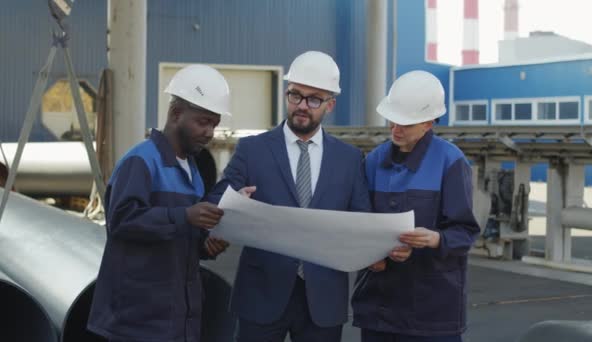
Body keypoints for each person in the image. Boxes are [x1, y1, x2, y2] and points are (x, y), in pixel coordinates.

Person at [207, 51, 371, 342]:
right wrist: (234, 200)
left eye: (314, 99)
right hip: (261, 292)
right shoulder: (252, 149)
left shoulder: (349, 159)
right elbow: (219, 195)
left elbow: (362, 220)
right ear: (286, 94)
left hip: (323, 297)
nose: (302, 106)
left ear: (330, 104)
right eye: (295, 95)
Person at [88, 64, 231, 342]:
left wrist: (205, 244)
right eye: (203, 122)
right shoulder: (141, 162)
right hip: (137, 321)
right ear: (176, 114)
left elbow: (179, 233)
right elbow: (122, 221)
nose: (210, 132)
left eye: (214, 124)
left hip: (179, 318)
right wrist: (185, 216)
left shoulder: (193, 172)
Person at [351, 70, 481, 342]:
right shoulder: (373, 161)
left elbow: (465, 232)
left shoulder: (451, 162)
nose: (395, 129)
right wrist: (372, 255)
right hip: (379, 308)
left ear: (429, 123)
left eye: (405, 124)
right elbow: (359, 222)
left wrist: (435, 239)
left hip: (432, 314)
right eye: (393, 120)